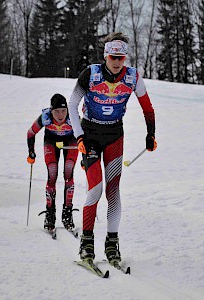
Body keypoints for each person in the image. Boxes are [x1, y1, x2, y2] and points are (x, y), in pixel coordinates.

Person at [68, 32, 157, 263]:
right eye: (113, 57)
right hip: (90, 136)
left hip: (114, 136)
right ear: (105, 56)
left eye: (121, 58)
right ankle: (87, 244)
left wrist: (151, 134)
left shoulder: (133, 77)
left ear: (125, 58)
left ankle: (112, 244)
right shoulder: (91, 74)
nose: (117, 62)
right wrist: (79, 137)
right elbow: (72, 104)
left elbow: (148, 108)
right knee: (95, 189)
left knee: (113, 190)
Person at [27, 94, 79, 232]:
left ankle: (67, 214)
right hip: (51, 143)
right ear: (51, 110)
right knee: (52, 173)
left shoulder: (72, 118)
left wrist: (87, 157)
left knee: (69, 172)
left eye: (63, 111)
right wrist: (31, 152)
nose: (60, 115)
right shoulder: (46, 118)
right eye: (56, 111)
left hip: (70, 142)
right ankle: (50, 214)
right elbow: (30, 133)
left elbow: (85, 134)